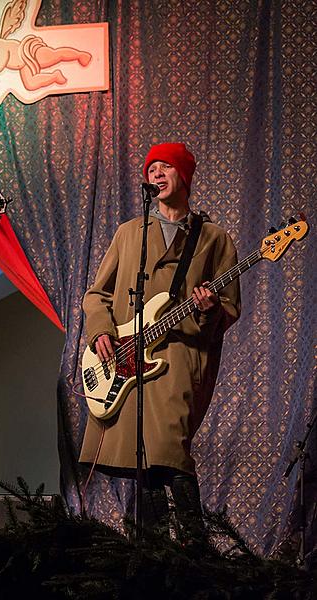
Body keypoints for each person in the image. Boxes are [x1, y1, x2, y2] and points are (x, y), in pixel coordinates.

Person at [79, 143, 241, 539]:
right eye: (151, 167)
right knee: (142, 460)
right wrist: (101, 330)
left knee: (169, 449)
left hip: (180, 358)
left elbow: (229, 306)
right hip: (130, 354)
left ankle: (196, 545)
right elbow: (97, 294)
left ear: (184, 175)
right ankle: (153, 553)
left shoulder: (214, 238)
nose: (156, 173)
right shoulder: (129, 232)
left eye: (166, 166)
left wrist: (206, 307)